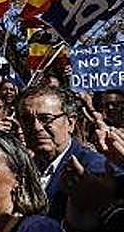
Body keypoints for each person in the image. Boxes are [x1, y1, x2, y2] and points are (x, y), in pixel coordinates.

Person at [17, 85, 107, 219]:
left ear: (70, 123)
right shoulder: (20, 168)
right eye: (27, 120)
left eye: (46, 118)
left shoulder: (92, 167)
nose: (36, 127)